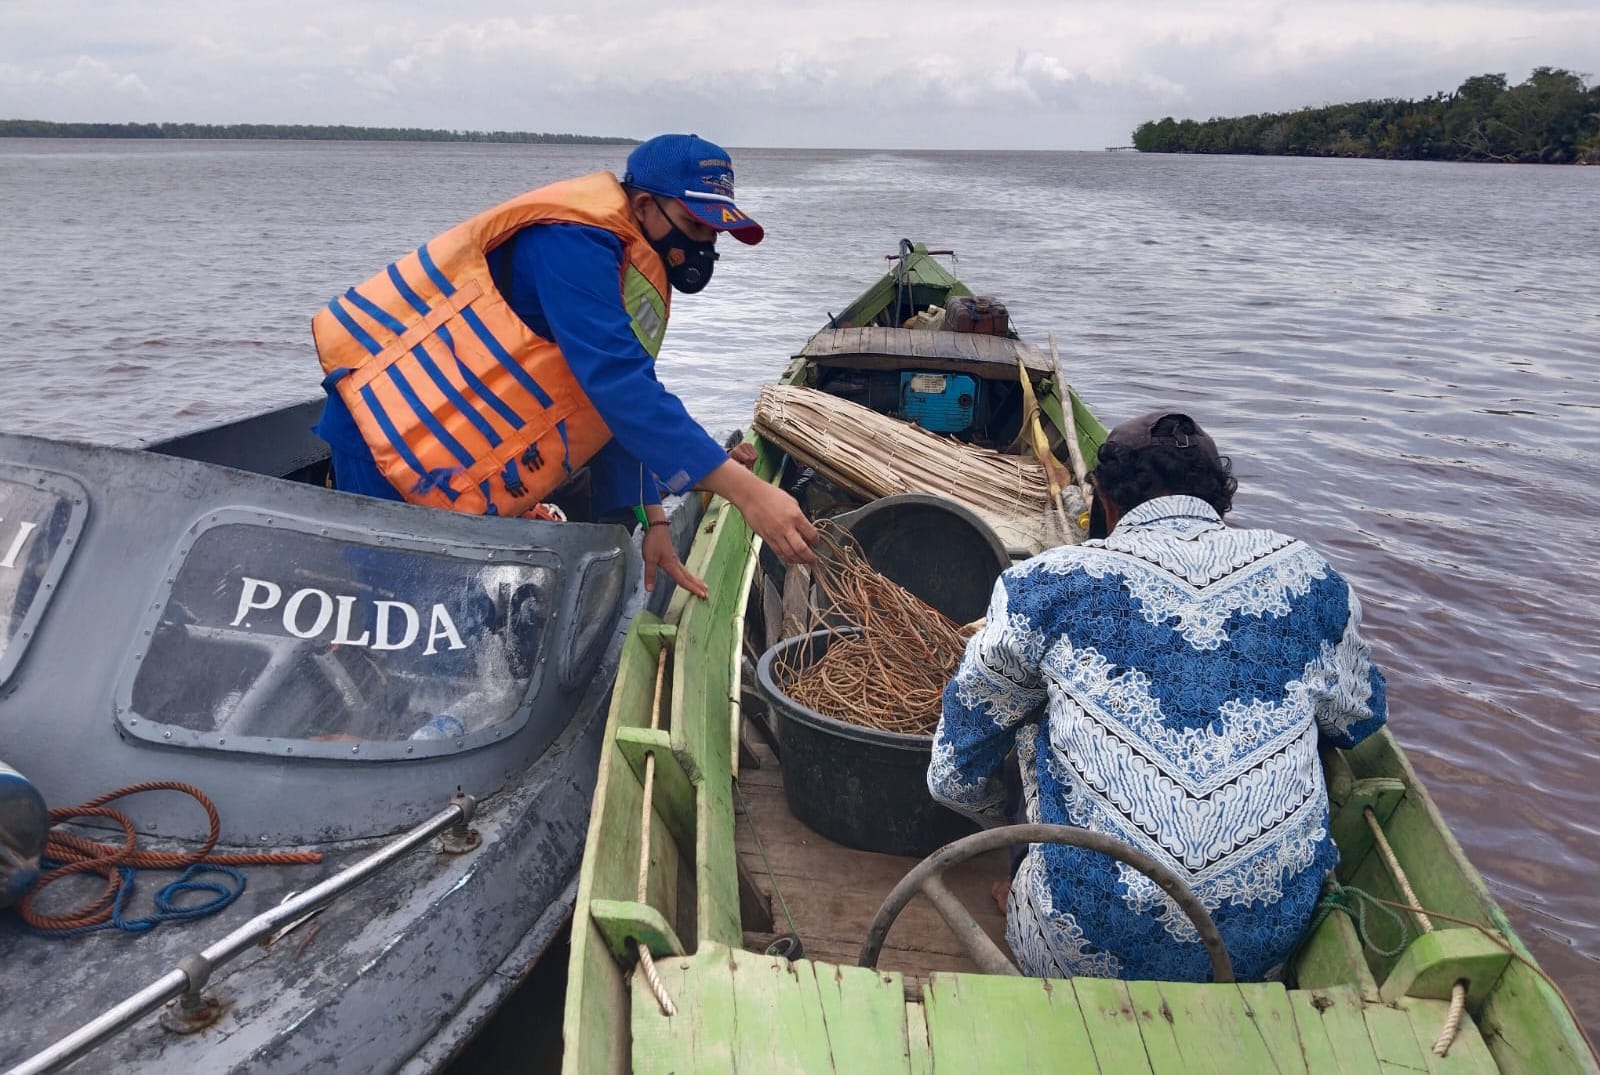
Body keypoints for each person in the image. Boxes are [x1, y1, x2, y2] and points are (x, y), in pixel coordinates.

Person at [928, 409, 1388, 982]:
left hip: (1079, 953)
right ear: (1220, 506)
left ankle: (1027, 892)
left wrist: (1001, 821)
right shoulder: (1313, 578)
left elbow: (951, 775)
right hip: (1259, 953)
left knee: (1026, 714)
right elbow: (1358, 719)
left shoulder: (1041, 584)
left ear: (1105, 503)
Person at [310, 133, 818, 599]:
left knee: (442, 594)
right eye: (694, 226)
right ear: (644, 205)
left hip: (455, 442)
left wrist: (655, 520)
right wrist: (747, 492)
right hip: (387, 429)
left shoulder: (632, 254)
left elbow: (607, 404)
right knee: (391, 602)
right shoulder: (573, 242)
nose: (704, 248)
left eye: (716, 234)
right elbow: (617, 385)